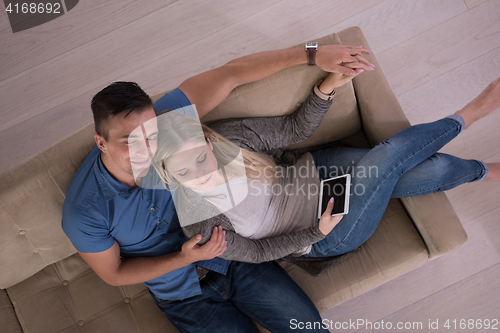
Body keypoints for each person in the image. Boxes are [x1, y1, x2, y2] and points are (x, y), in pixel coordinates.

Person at [61, 43, 374, 333]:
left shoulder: (168, 124)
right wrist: (182, 259)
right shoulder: (84, 211)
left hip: (234, 258)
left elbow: (231, 74)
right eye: (130, 142)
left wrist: (312, 54)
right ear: (101, 142)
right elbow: (113, 273)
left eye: (151, 134)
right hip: (182, 295)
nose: (147, 149)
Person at [153, 70, 500, 266]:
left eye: (201, 158)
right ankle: (472, 113)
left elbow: (292, 130)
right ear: (171, 179)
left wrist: (327, 87)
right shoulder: (200, 221)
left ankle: (487, 171)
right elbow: (258, 253)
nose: (203, 175)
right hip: (325, 231)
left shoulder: (229, 138)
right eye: (185, 174)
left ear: (209, 142)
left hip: (316, 173)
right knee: (385, 158)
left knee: (431, 169)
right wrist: (316, 233)